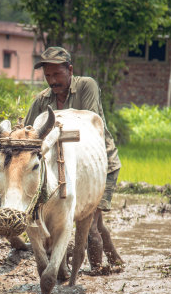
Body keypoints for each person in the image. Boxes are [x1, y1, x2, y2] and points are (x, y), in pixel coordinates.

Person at [25, 46, 123, 274]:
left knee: (90, 225)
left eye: (57, 74)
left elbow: (88, 124)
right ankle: (110, 263)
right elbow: (26, 134)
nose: (52, 81)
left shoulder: (86, 86)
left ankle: (98, 272)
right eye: (48, 76)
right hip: (62, 169)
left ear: (70, 70)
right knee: (67, 220)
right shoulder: (42, 101)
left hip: (96, 165)